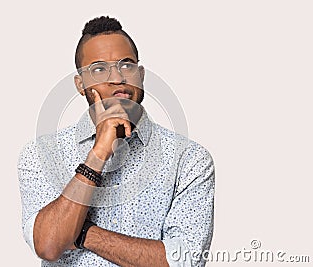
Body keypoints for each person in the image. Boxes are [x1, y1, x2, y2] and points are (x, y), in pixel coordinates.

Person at [18, 16, 215, 267]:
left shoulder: (189, 159)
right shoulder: (41, 154)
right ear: (81, 84)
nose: (117, 78)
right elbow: (48, 245)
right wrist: (98, 153)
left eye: (126, 65)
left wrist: (84, 234)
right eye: (99, 69)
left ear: (141, 75)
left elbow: (185, 261)